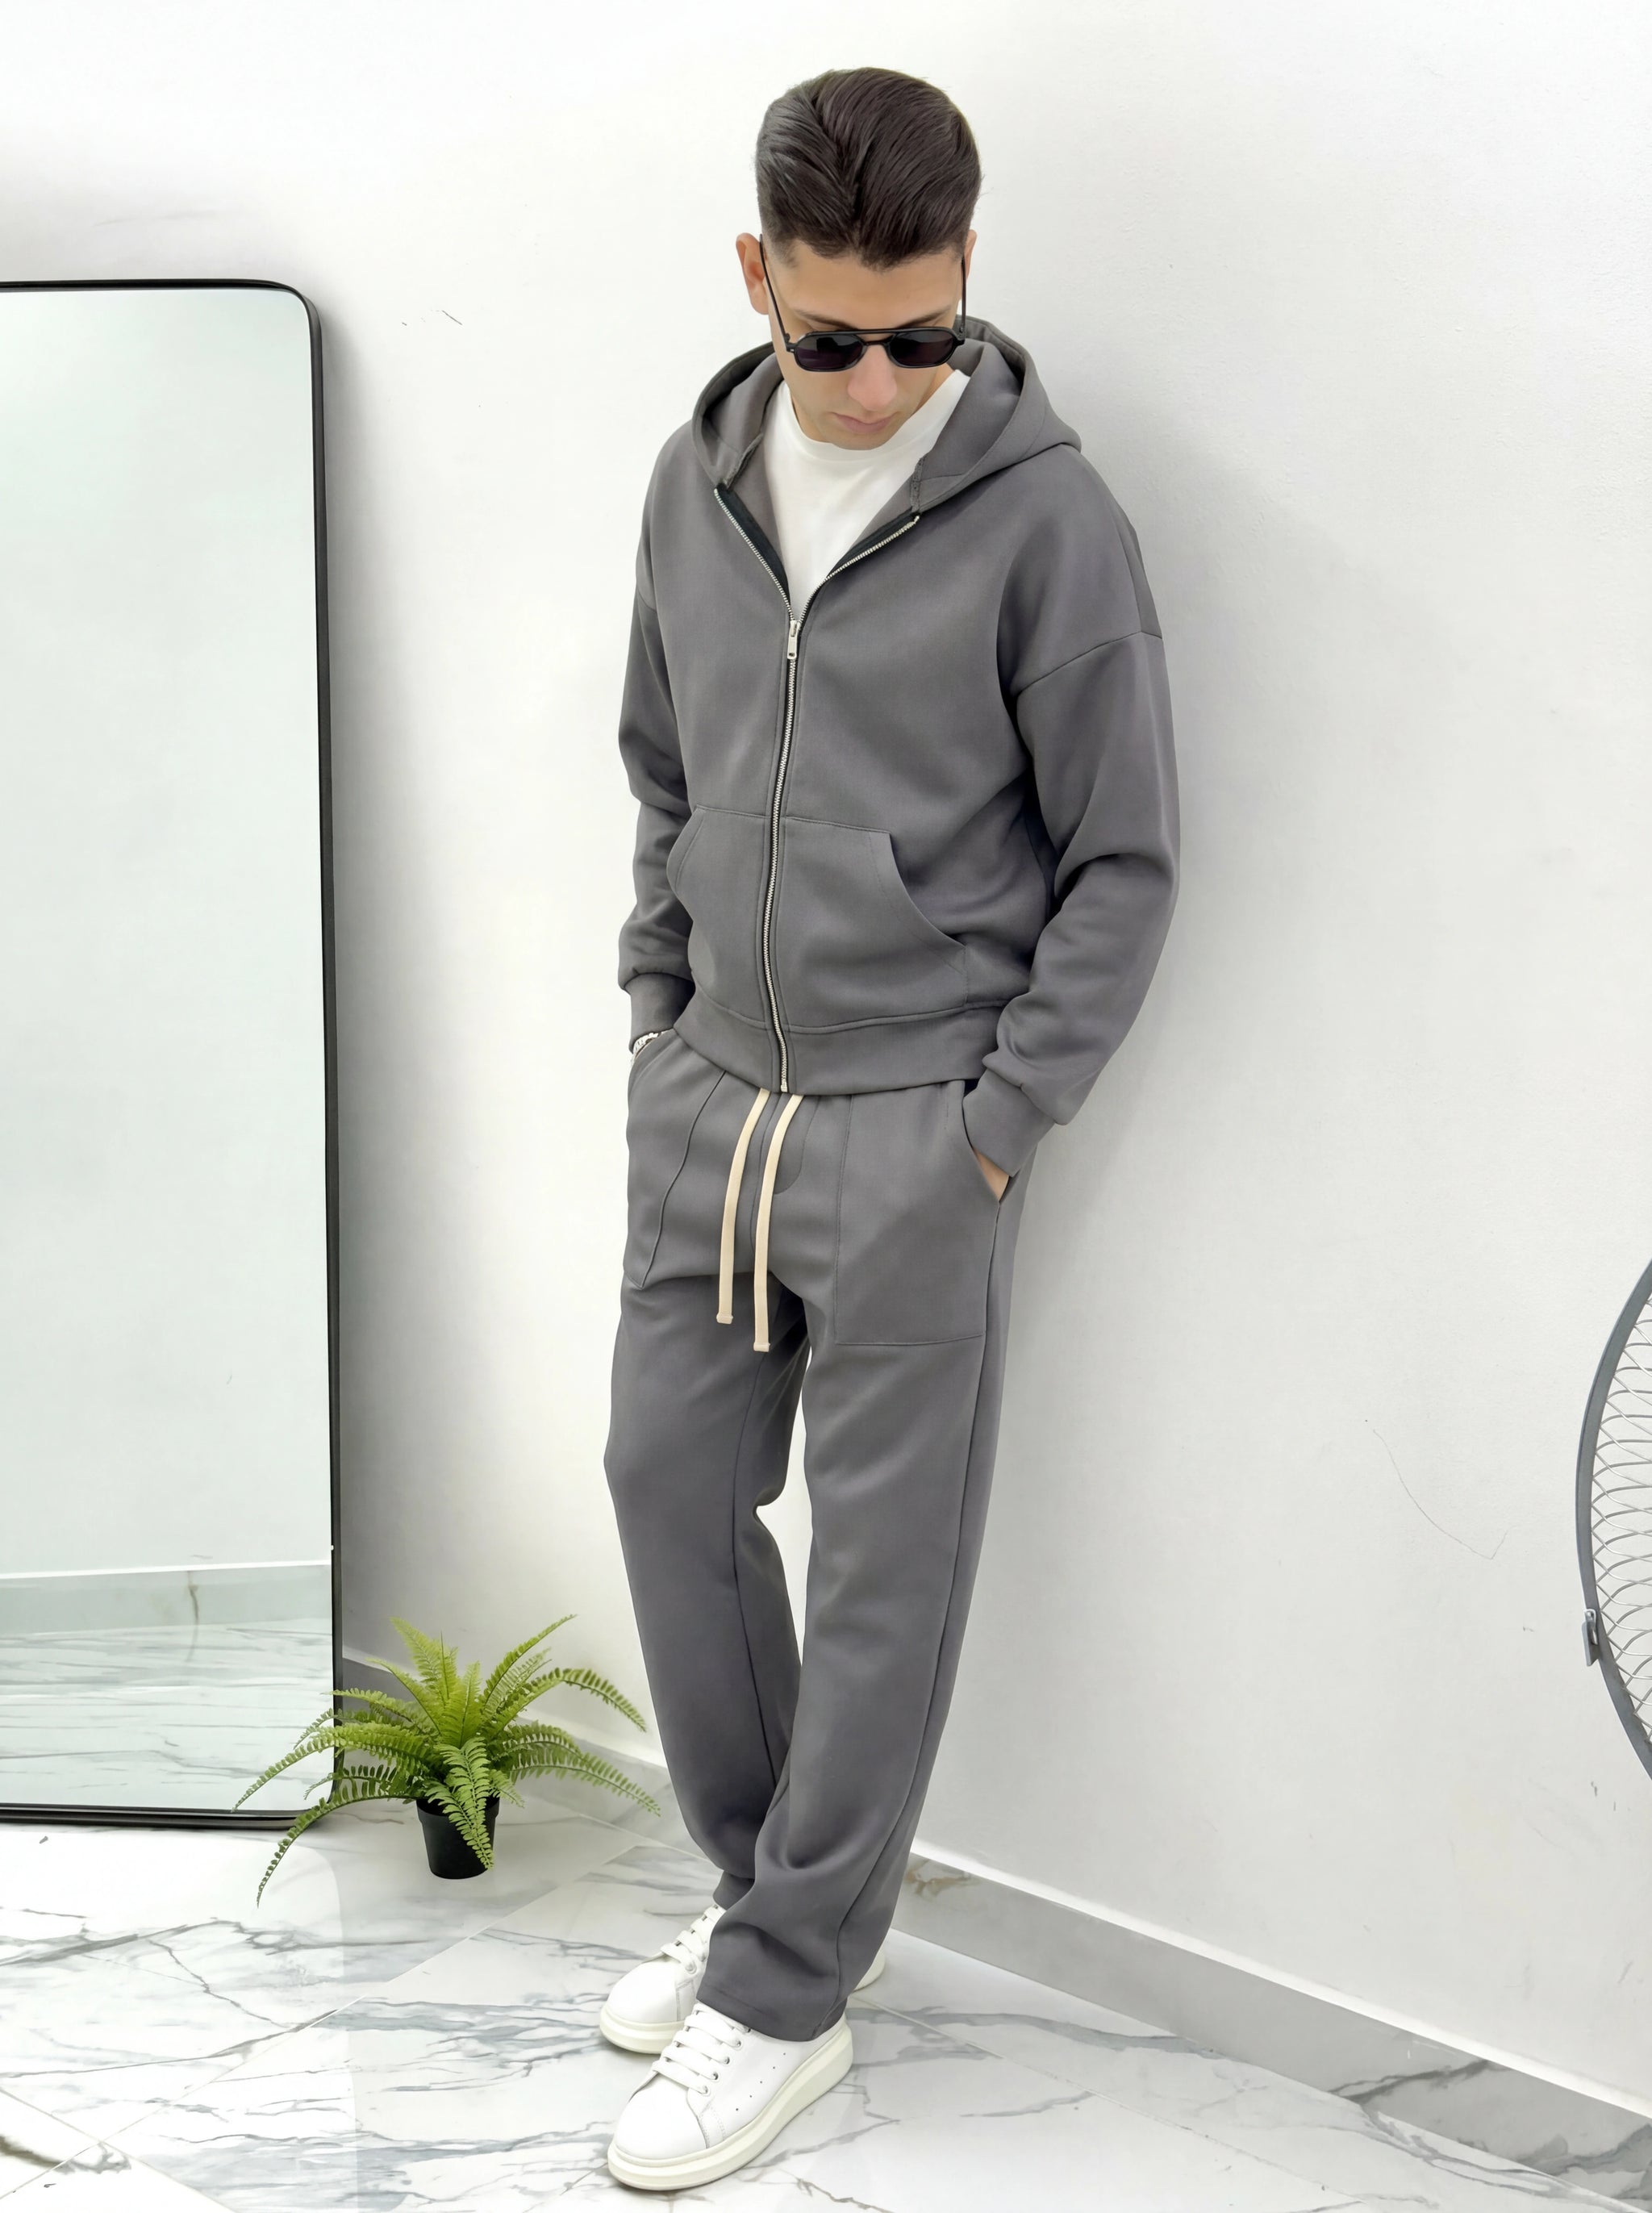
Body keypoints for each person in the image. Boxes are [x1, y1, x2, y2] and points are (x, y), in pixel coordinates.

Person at [598, 64, 1180, 2192]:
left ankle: (781, 2003)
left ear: (968, 276)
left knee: (879, 1579)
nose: (873, 386)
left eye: (920, 337)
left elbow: (1125, 861)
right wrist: (655, 1009)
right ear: (759, 277)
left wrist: (994, 1128)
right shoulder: (697, 480)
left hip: (917, 1121)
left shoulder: (1048, 522)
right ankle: (778, 1910)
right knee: (664, 1484)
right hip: (711, 1100)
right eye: (830, 338)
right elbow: (663, 762)